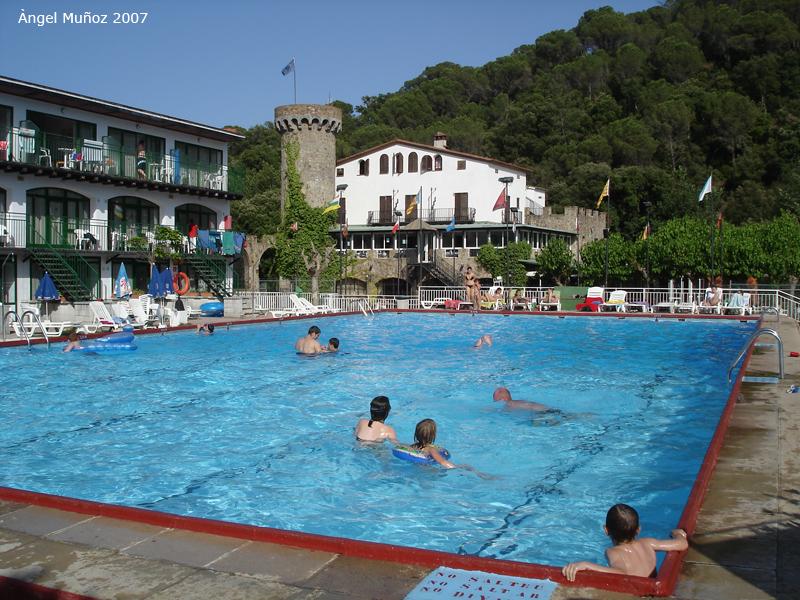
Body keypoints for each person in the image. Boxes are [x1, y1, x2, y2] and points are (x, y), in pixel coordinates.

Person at [562, 504, 688, 581]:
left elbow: (620, 573)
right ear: (639, 529)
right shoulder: (648, 543)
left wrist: (586, 564)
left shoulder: (612, 552)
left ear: (606, 530)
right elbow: (682, 544)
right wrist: (677, 534)